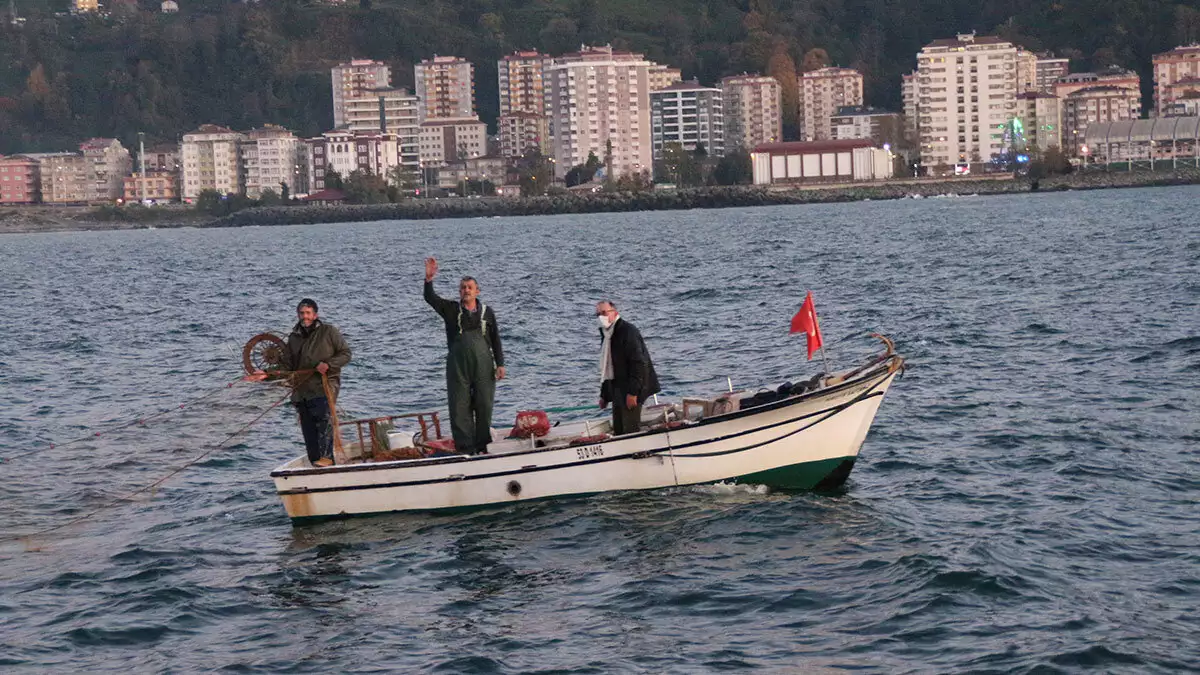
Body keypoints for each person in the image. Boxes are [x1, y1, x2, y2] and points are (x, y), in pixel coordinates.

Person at [252, 298, 352, 467]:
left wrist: (328, 365)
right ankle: (315, 463)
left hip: (324, 386)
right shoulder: (294, 337)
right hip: (301, 391)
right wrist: (266, 374)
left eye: (308, 313)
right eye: (301, 313)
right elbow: (288, 366)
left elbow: (346, 354)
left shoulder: (328, 331)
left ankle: (327, 459)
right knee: (308, 429)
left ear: (315, 315)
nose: (304, 316)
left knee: (323, 420)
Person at [424, 258, 506, 454]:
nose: (466, 290)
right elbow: (431, 298)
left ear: (477, 291)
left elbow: (495, 339)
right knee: (460, 406)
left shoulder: (487, 312)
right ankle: (465, 449)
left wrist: (500, 364)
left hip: (484, 366)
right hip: (458, 367)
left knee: (484, 404)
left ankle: (483, 445)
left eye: (469, 287)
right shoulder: (451, 310)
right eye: (462, 288)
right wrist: (428, 279)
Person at [596, 300, 661, 435]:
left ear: (615, 312)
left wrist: (633, 393)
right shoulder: (607, 334)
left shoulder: (628, 331)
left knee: (630, 429)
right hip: (617, 389)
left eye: (604, 313)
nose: (601, 317)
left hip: (632, 387)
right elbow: (608, 367)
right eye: (597, 314)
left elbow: (639, 363)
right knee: (618, 429)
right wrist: (604, 395)